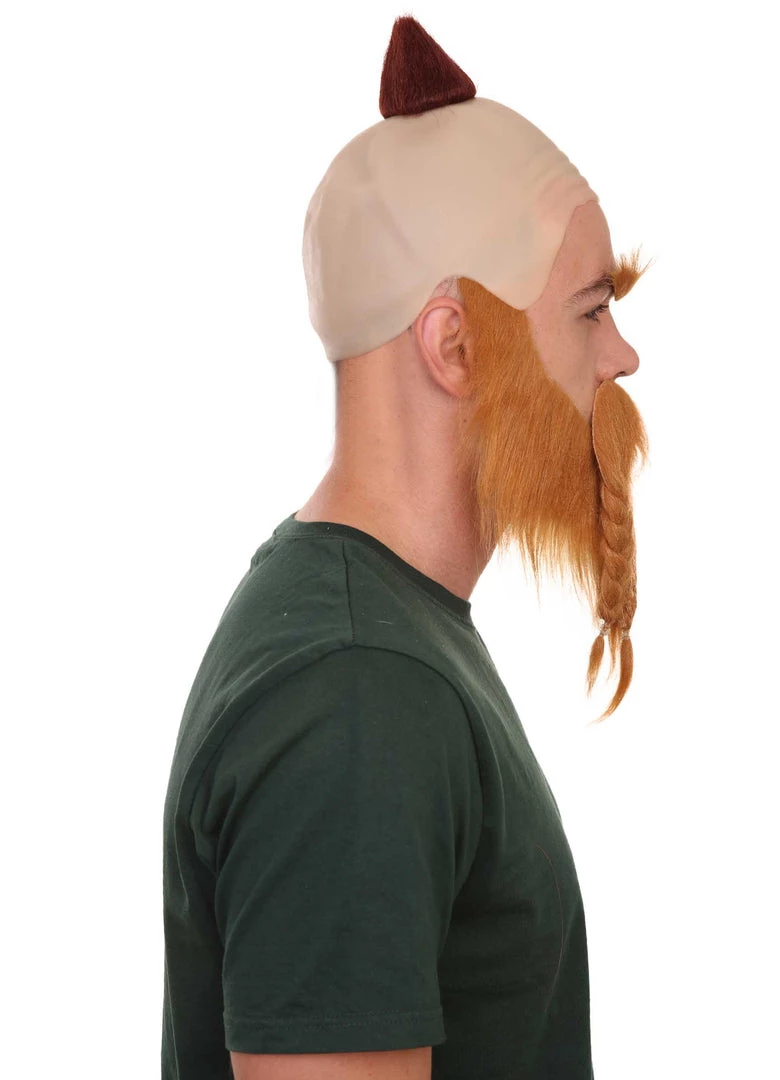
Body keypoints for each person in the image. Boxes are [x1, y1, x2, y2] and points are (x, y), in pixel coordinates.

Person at [161, 15, 651, 1080]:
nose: (621, 356)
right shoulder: (354, 696)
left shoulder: (377, 632)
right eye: (588, 311)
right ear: (454, 346)